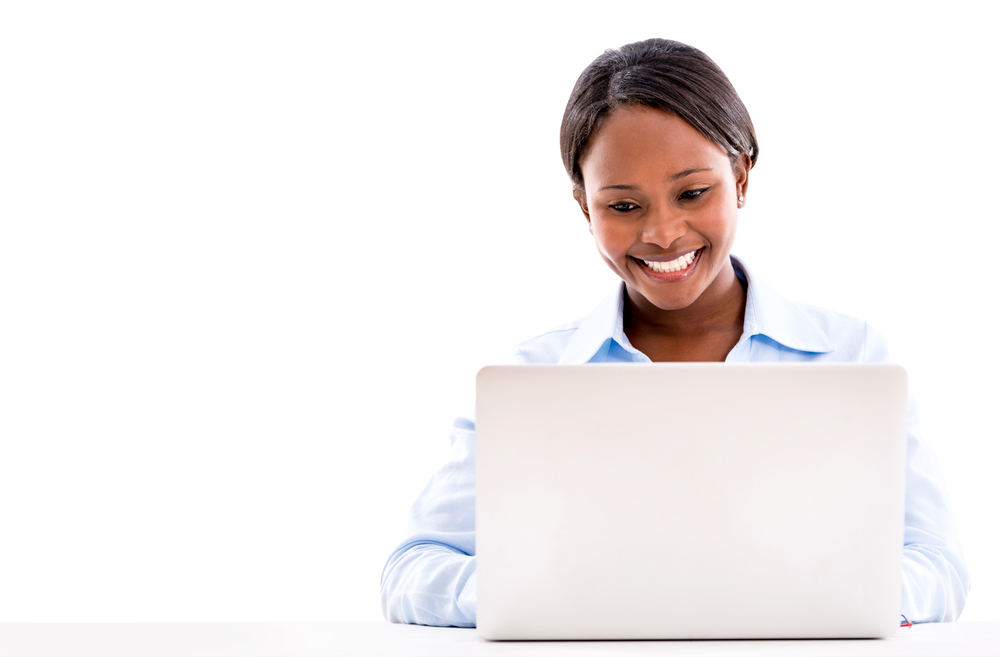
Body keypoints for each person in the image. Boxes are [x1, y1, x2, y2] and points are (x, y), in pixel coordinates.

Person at [379, 38, 970, 628]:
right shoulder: (531, 379)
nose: (663, 233)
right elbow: (411, 570)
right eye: (623, 206)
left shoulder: (851, 358)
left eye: (692, 193)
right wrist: (541, 591)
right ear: (585, 209)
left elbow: (936, 564)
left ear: (740, 177)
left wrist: (810, 594)